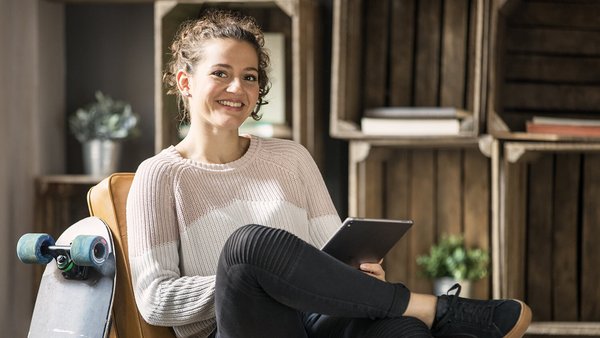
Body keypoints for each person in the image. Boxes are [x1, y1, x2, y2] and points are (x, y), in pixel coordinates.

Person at [126, 9, 532, 338]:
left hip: (315, 321)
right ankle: (440, 309)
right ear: (185, 82)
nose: (237, 87)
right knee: (247, 248)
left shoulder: (291, 159)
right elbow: (156, 299)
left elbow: (328, 255)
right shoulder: (160, 176)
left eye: (249, 77)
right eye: (220, 73)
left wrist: (351, 278)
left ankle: (423, 317)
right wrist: (260, 280)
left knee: (400, 329)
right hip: (240, 328)